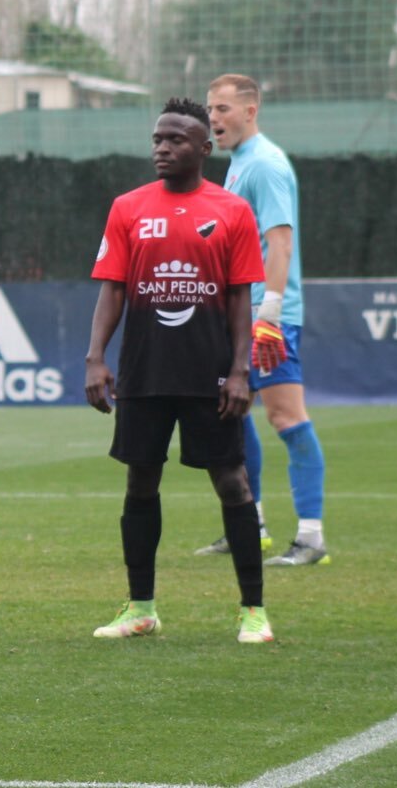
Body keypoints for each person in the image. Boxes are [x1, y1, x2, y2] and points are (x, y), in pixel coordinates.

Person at [86, 97, 274, 644]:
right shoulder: (127, 207)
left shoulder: (232, 211)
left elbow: (239, 299)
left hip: (208, 373)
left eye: (175, 140)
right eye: (157, 140)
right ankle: (141, 608)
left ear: (204, 149)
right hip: (144, 371)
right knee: (140, 480)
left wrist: (239, 372)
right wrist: (95, 358)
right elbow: (112, 289)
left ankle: (254, 612)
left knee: (232, 482)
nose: (162, 149)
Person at [196, 73, 330, 566]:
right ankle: (248, 524)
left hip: (267, 316)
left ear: (250, 111)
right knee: (232, 411)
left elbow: (280, 243)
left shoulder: (266, 164)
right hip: (242, 312)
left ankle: (311, 539)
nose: (213, 118)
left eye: (223, 109)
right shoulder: (239, 163)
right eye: (211, 109)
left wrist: (270, 313)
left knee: (286, 417)